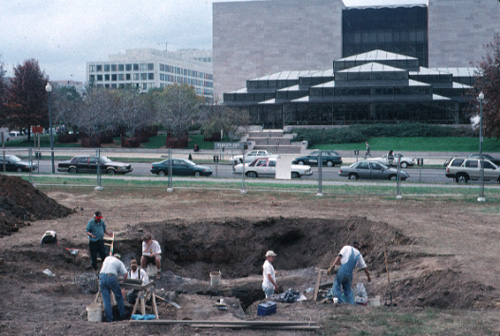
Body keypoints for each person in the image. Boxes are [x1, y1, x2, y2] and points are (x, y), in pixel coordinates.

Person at [99, 253, 128, 322]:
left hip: (102, 277)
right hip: (111, 277)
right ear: (119, 258)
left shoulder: (107, 258)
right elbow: (126, 274)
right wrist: (123, 281)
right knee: (119, 296)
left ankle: (109, 318)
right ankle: (123, 315)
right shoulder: (119, 262)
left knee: (106, 300)